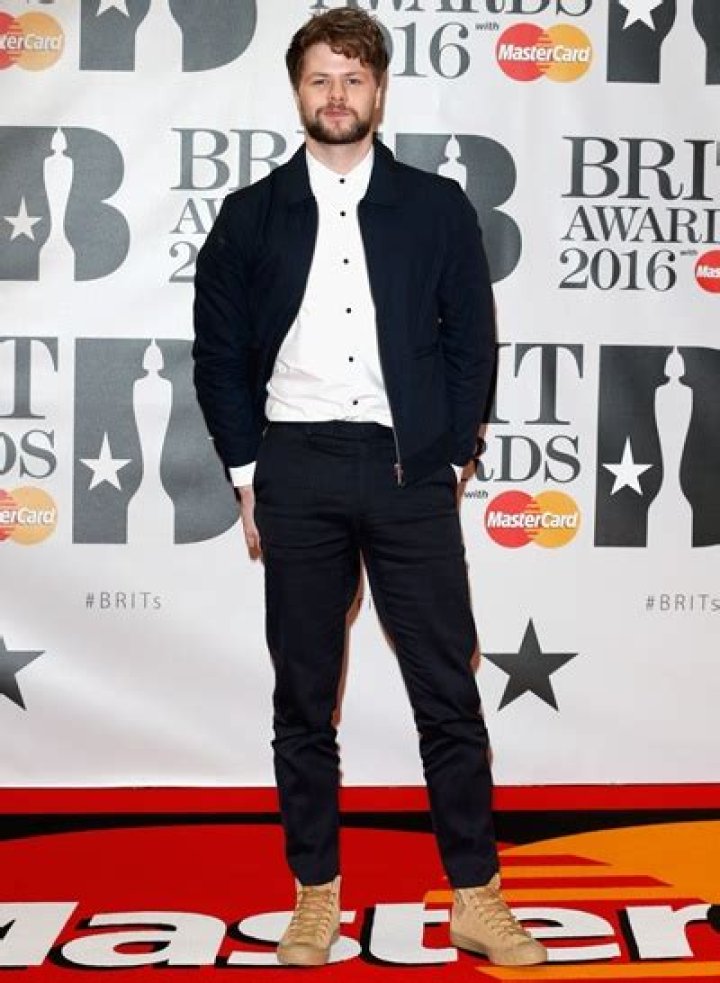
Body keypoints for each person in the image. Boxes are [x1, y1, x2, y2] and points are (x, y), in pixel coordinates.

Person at [192, 7, 547, 970]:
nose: (337, 94)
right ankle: (315, 896)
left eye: (353, 77)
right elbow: (218, 356)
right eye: (320, 78)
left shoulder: (435, 207)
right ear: (296, 92)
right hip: (295, 469)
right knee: (304, 698)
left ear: (380, 90)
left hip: (406, 472)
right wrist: (246, 474)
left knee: (448, 692)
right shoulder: (250, 216)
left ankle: (477, 896)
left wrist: (453, 455)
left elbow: (473, 340)